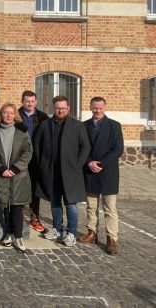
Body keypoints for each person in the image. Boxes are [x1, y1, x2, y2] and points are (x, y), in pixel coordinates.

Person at [34, 96, 90, 247]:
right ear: (54, 108)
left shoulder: (77, 125)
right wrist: (42, 164)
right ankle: (57, 229)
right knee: (55, 203)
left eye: (63, 108)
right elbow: (37, 144)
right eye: (58, 108)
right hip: (51, 172)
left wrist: (77, 165)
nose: (60, 110)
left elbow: (85, 146)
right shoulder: (45, 125)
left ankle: (71, 233)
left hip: (71, 172)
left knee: (71, 204)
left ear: (68, 108)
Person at [78, 97, 124, 255]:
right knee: (91, 206)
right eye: (95, 108)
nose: (97, 111)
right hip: (90, 171)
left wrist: (100, 164)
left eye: (100, 108)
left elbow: (118, 150)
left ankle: (112, 238)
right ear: (90, 107)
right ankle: (92, 233)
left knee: (110, 208)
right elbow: (81, 147)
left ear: (105, 107)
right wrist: (89, 162)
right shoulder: (83, 126)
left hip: (108, 172)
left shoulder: (114, 126)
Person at [0, 102, 33, 253]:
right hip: (1, 174)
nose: (8, 115)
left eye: (11, 113)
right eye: (5, 113)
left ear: (15, 115)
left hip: (18, 175)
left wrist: (15, 168)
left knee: (17, 205)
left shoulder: (22, 131)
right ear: (1, 115)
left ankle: (18, 236)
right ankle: (8, 233)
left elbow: (28, 152)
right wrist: (0, 168)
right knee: (5, 204)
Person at [18, 90, 49, 233]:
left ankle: (34, 217)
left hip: (36, 159)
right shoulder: (16, 114)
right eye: (26, 101)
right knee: (17, 187)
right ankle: (16, 217)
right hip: (18, 157)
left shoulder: (43, 117)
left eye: (32, 101)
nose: (29, 104)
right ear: (22, 101)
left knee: (34, 190)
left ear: (36, 102)